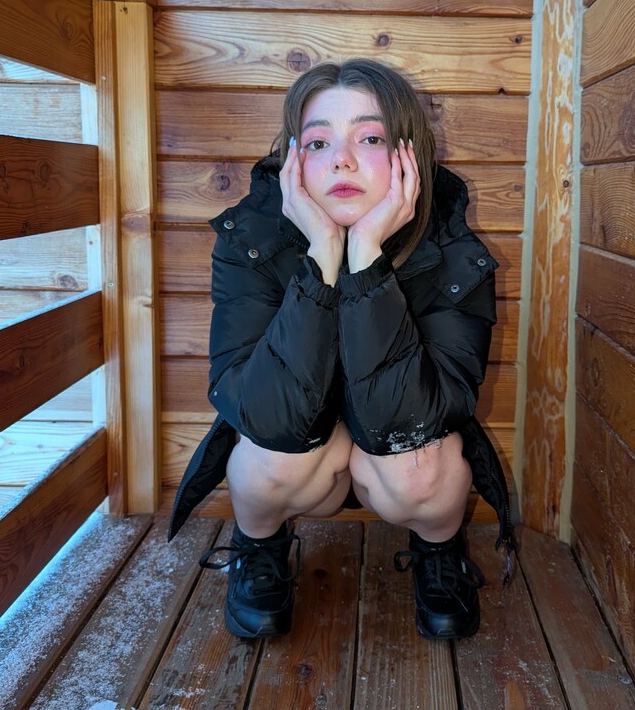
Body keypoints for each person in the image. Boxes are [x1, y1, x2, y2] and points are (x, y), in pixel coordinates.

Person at [168, 58, 517, 640]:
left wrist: (367, 260)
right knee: (267, 454)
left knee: (422, 466)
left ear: (409, 154)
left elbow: (416, 417)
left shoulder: (455, 253)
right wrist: (324, 255)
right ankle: (260, 547)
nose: (342, 160)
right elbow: (265, 415)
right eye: (318, 141)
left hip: (396, 451)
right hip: (304, 452)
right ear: (294, 161)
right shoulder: (249, 240)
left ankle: (438, 551)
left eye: (370, 137)